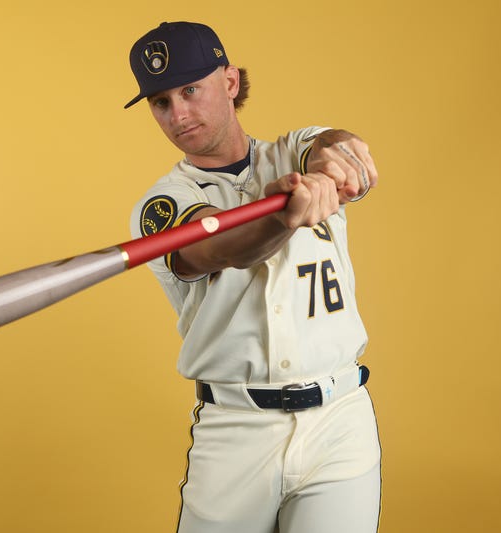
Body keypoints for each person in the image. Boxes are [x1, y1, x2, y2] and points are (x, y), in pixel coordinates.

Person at [125, 21, 382, 533]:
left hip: (339, 420)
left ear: (230, 81)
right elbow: (215, 248)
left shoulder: (294, 152)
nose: (178, 114)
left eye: (190, 89)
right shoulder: (160, 205)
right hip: (236, 430)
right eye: (161, 101)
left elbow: (326, 144)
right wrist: (280, 217)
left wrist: (339, 155)